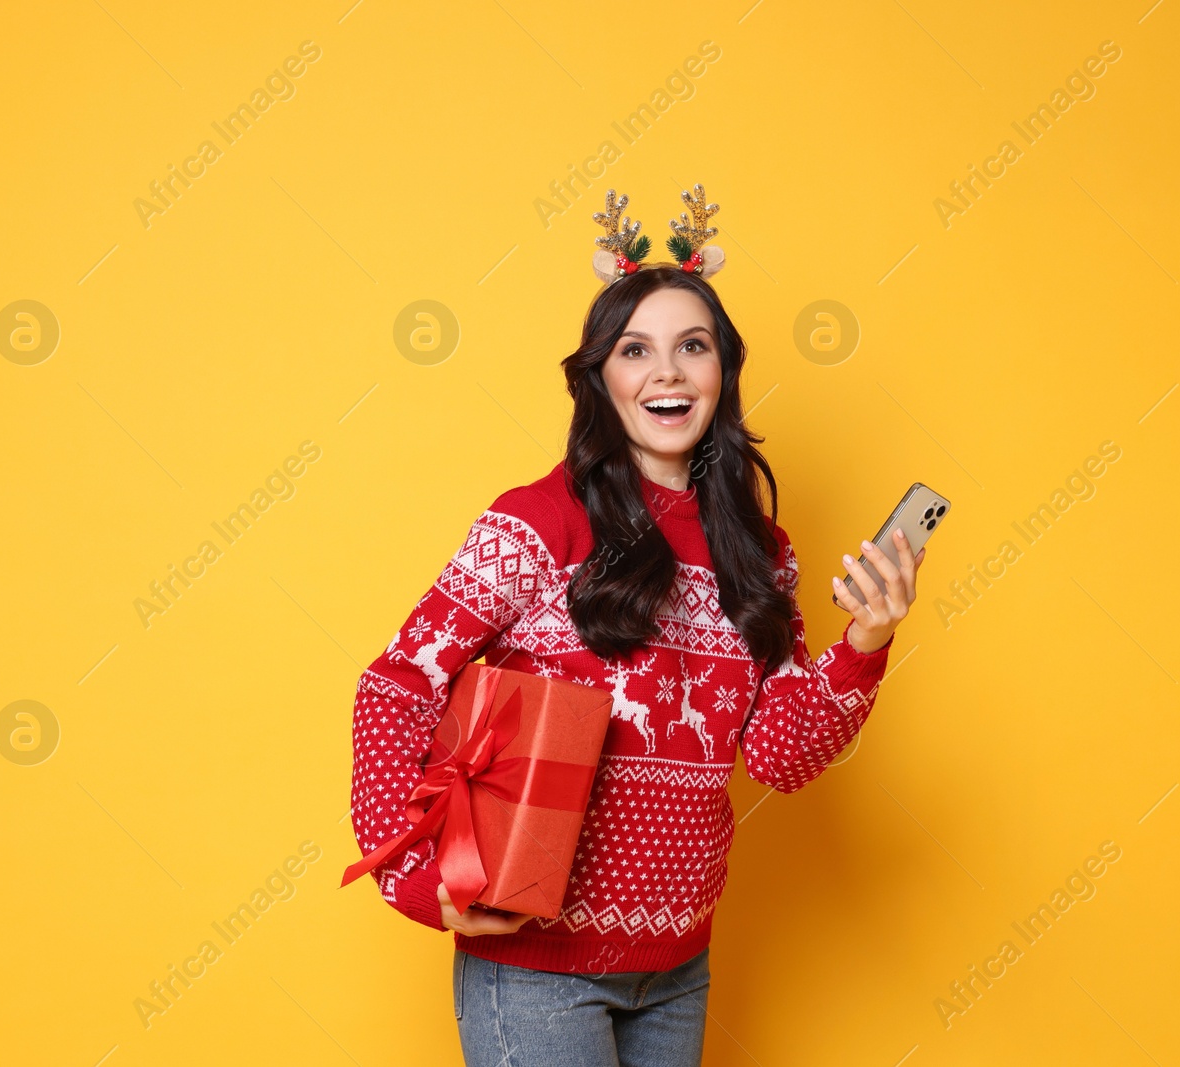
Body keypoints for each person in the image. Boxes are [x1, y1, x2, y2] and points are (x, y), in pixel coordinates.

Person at [349, 191, 924, 1067]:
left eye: (692, 347)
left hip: (677, 963)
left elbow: (779, 754)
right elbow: (398, 681)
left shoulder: (760, 552)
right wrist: (417, 880)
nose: (668, 373)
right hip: (536, 969)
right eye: (636, 350)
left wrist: (866, 645)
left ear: (723, 371)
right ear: (601, 377)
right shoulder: (539, 522)